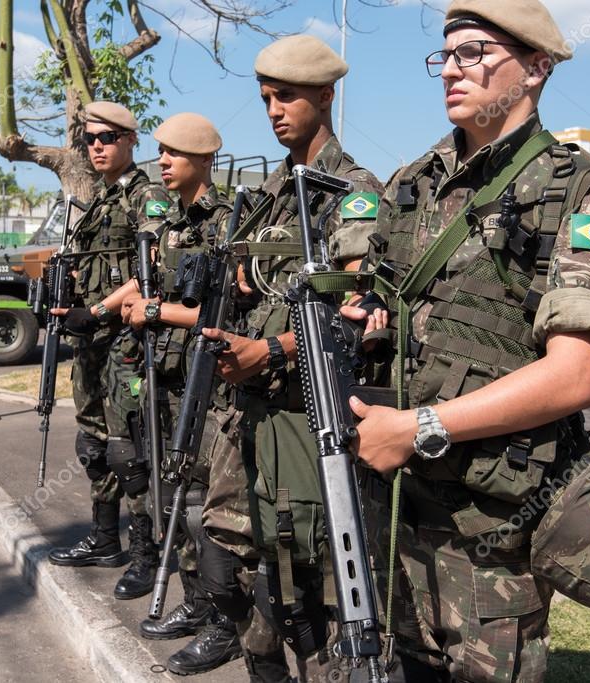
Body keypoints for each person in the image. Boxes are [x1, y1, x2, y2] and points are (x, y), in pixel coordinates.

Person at [351, 1, 590, 680]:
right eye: (444, 56)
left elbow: (573, 376)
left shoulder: (578, 194)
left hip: (491, 526)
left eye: (474, 53)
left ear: (536, 67)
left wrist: (416, 426)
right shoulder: (412, 183)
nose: (451, 69)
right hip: (392, 500)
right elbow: (373, 293)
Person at [199, 34, 386, 681]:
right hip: (246, 417)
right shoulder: (270, 193)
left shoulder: (351, 190)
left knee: (307, 588)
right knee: (229, 571)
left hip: (309, 422)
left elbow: (356, 309)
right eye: (265, 98)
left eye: (286, 96)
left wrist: (269, 350)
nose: (273, 109)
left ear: (326, 95)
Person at [121, 112, 269, 676]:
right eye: (160, 152)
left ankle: (224, 625)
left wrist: (158, 311)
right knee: (175, 496)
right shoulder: (170, 223)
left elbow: (224, 310)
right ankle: (197, 599)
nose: (163, 161)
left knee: (208, 508)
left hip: (210, 380)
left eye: (175, 154)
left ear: (204, 160)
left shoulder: (227, 221)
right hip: (169, 375)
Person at [46, 101, 174, 602]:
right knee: (93, 445)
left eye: (107, 138)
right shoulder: (96, 202)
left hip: (125, 342)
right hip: (90, 345)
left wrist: (98, 311)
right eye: (90, 140)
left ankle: (145, 555)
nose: (96, 147)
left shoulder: (148, 196)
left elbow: (151, 270)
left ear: (128, 140)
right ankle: (104, 539)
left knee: (129, 451)